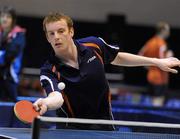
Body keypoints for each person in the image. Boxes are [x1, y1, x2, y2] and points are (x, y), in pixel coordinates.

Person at [33, 13, 180, 130]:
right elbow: (56, 97)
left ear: (71, 31)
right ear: (47, 38)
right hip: (71, 128)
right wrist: (46, 103)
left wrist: (157, 62)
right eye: (51, 33)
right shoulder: (49, 69)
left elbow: (118, 57)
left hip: (104, 123)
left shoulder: (93, 45)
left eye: (61, 31)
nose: (56, 37)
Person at [138, 22, 173, 106]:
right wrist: (169, 56)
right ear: (163, 30)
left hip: (151, 76)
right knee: (158, 102)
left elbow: (140, 55)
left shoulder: (150, 42)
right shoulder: (162, 44)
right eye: (168, 30)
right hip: (160, 77)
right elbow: (162, 61)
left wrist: (148, 66)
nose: (169, 32)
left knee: (153, 101)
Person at [0, 6, 26, 102]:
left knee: (10, 108)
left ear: (13, 20)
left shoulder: (19, 35)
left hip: (10, 77)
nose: (5, 19)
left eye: (8, 17)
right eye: (3, 16)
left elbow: (10, 54)